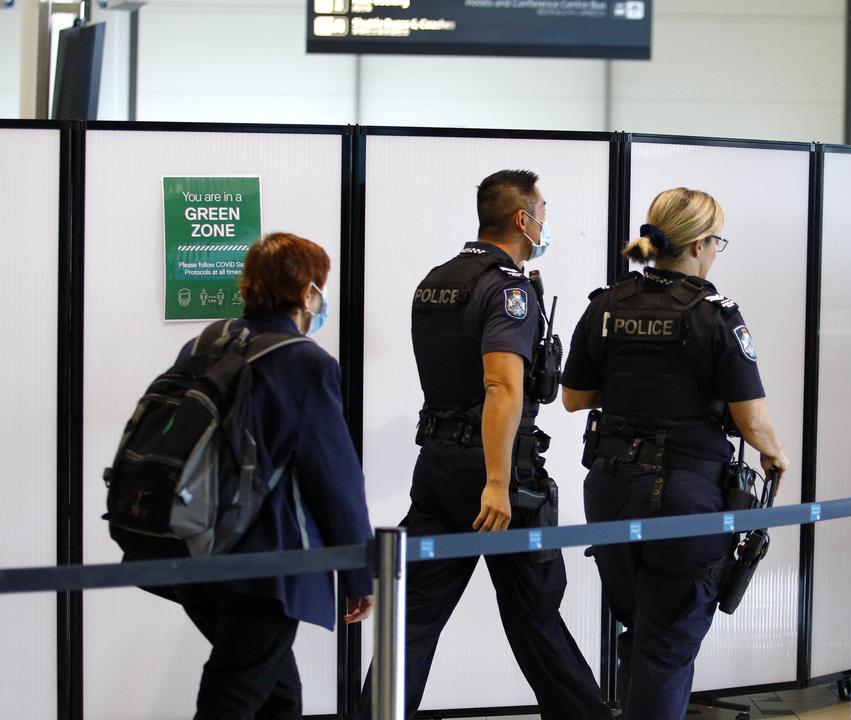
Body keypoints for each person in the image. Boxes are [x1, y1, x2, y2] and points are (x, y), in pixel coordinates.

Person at [355, 170, 610, 720]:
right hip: (499, 480)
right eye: (542, 210)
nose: (545, 221)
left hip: (438, 469)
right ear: (523, 218)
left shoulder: (437, 280)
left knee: (414, 620)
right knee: (535, 614)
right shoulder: (508, 288)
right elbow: (500, 385)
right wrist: (497, 482)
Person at [560, 187, 790, 720]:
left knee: (642, 629)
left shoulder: (607, 305)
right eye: (717, 242)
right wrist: (775, 455)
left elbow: (573, 398)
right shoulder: (716, 314)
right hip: (685, 498)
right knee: (668, 644)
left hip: (611, 490)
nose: (715, 253)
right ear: (699, 244)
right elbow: (750, 418)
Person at [162, 232, 375, 719]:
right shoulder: (305, 362)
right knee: (233, 698)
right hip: (265, 562)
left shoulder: (206, 341)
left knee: (277, 698)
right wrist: (359, 570)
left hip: (194, 548)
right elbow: (334, 477)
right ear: (306, 293)